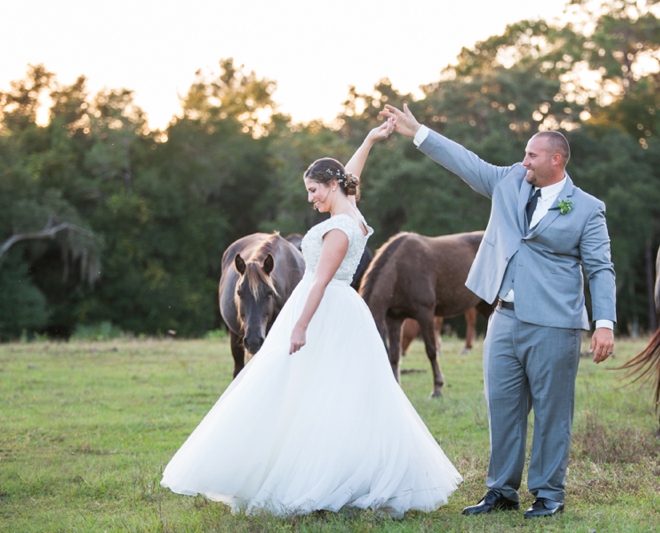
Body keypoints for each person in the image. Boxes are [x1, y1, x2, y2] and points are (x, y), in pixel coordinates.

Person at [161, 118, 462, 518]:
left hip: (325, 310)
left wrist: (299, 325)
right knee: (319, 391)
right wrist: (370, 139)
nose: (310, 198)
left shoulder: (340, 228)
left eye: (314, 190)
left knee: (311, 389)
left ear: (330, 186)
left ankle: (315, 476)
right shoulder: (349, 206)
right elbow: (350, 174)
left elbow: (319, 281)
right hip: (335, 308)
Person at [380, 104, 616, 518]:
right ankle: (501, 492)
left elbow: (600, 269)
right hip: (503, 317)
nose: (523, 160)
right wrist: (418, 131)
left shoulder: (586, 208)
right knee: (503, 407)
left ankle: (548, 494)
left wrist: (604, 324)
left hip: (555, 324)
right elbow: (464, 162)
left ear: (555, 160)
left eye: (531, 155)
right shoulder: (508, 181)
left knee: (551, 412)